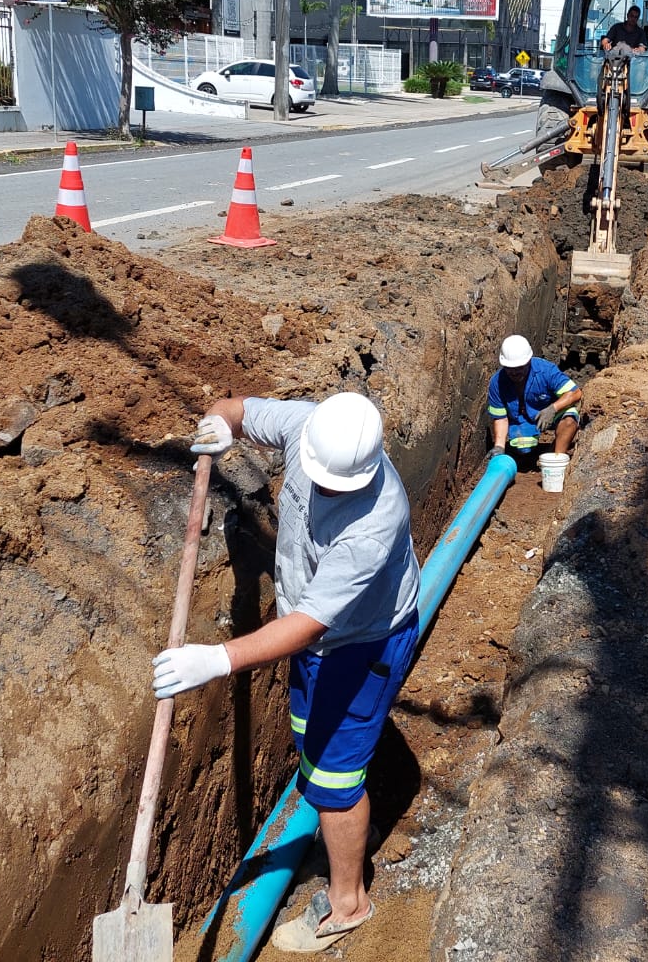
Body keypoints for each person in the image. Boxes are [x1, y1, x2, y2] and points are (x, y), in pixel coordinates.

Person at [153, 391, 418, 953]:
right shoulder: (309, 427)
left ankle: (348, 903)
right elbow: (238, 409)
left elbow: (306, 627)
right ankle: (351, 831)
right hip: (319, 635)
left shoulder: (374, 522)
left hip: (361, 642)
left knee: (334, 780)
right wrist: (219, 426)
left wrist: (217, 659)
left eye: (335, 485)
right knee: (314, 747)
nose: (323, 490)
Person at [487, 334, 582, 463]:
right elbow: (500, 418)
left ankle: (557, 459)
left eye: (519, 368)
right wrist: (499, 446)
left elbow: (575, 393)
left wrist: (553, 409)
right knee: (523, 448)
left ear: (528, 362)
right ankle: (535, 448)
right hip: (523, 419)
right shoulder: (497, 383)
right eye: (510, 369)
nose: (514, 373)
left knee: (569, 421)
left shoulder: (546, 371)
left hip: (551, 413)